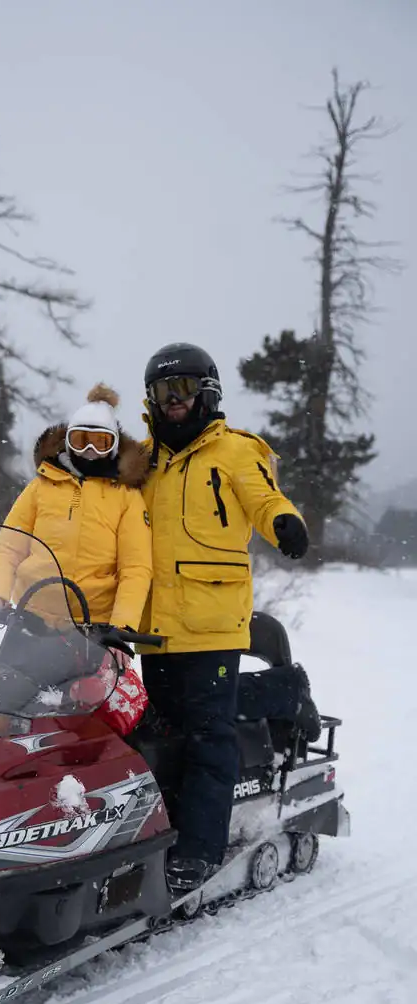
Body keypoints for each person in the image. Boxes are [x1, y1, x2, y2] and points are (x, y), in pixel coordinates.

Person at [137, 342, 315, 893]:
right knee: (161, 730)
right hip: (153, 627)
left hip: (212, 620)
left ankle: (198, 849)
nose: (173, 401)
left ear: (206, 391)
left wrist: (284, 521)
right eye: (163, 391)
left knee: (208, 735)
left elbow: (265, 498)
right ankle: (286, 688)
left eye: (183, 389)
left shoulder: (234, 452)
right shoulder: (143, 460)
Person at [0, 384, 153, 688]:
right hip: (31, 621)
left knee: (82, 719)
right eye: (81, 440)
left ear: (113, 446)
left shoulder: (126, 497)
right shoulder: (41, 488)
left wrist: (121, 627)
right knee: (3, 701)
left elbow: (136, 569)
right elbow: (9, 547)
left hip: (94, 633)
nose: (89, 450)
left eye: (99, 442)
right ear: (68, 441)